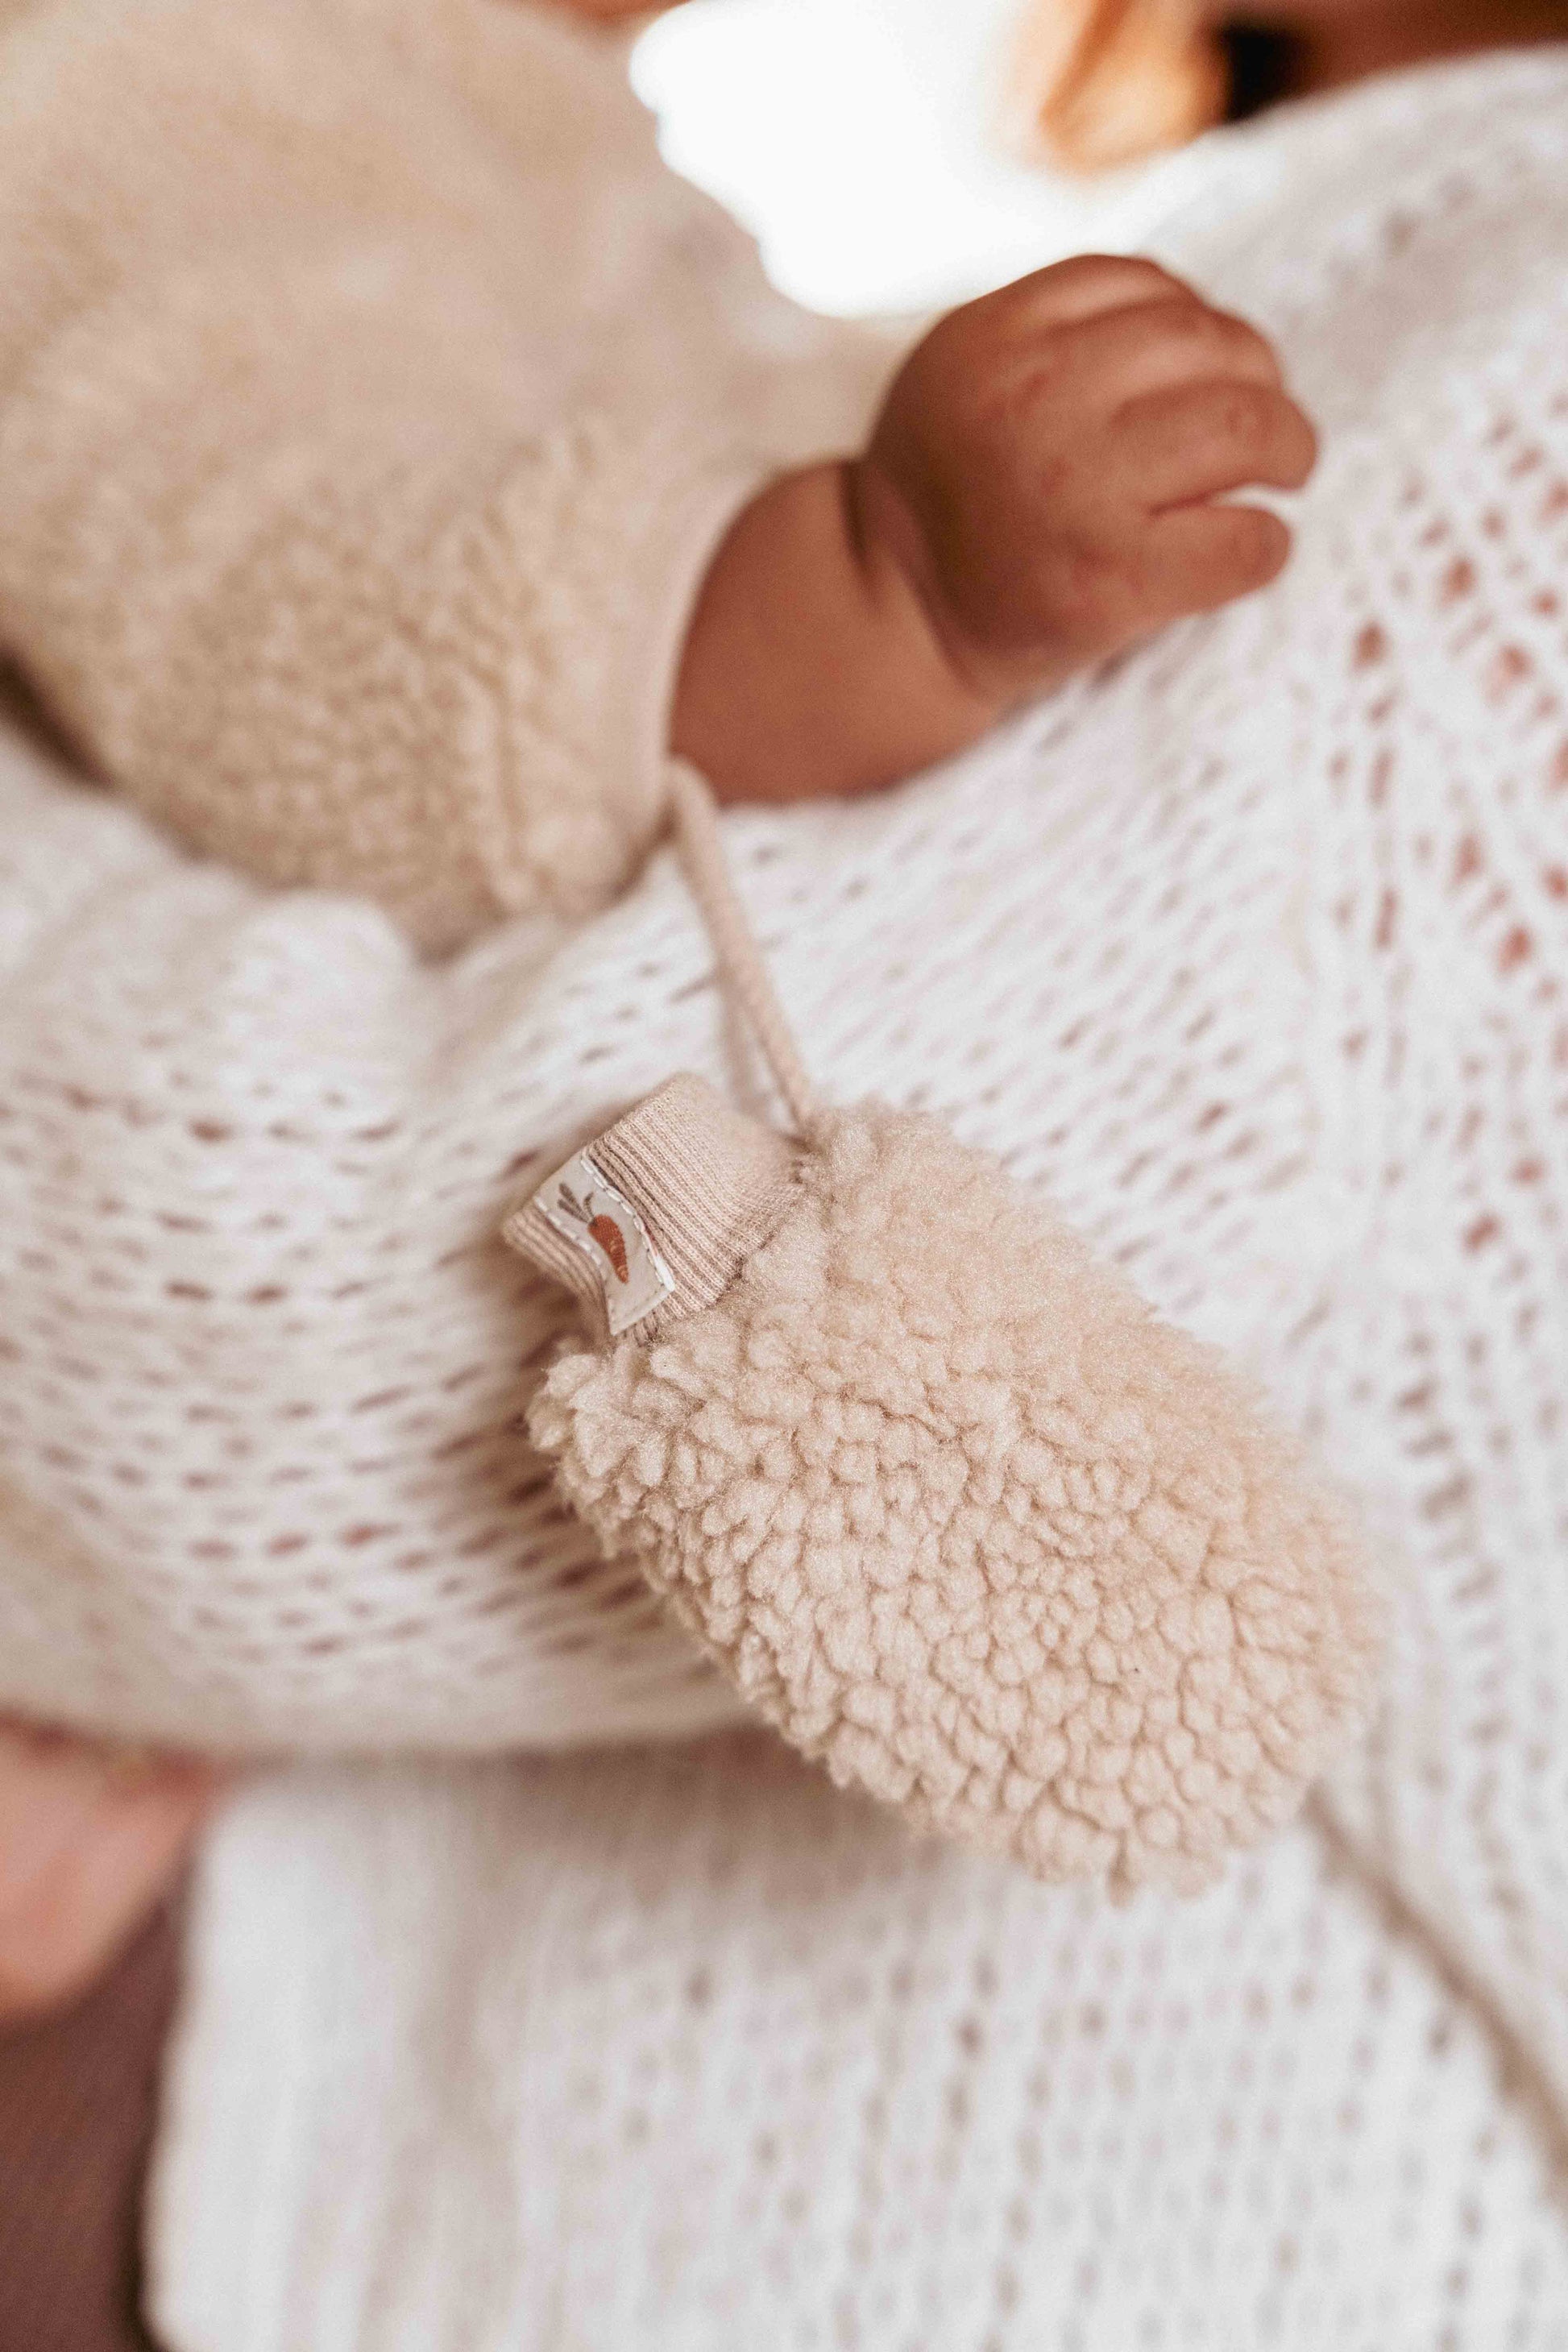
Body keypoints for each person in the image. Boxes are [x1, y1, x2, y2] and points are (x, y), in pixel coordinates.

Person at [1, 0, 1566, 2342]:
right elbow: (303, 596)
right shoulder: (198, 92)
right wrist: (867, 578)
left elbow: (250, 1337)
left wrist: (869, 582)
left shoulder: (1498, 353)